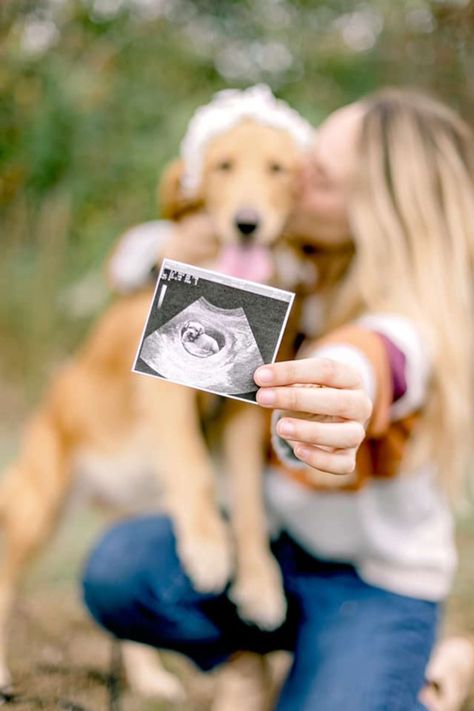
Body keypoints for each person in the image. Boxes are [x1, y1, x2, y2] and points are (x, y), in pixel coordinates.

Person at [82, 89, 474, 710]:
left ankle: (438, 669)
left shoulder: (410, 322)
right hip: (278, 548)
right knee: (122, 567)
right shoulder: (277, 263)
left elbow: (378, 359)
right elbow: (144, 277)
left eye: (313, 175)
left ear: (376, 211)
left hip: (372, 584)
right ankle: (242, 655)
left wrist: (341, 392)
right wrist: (165, 254)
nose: (284, 174)